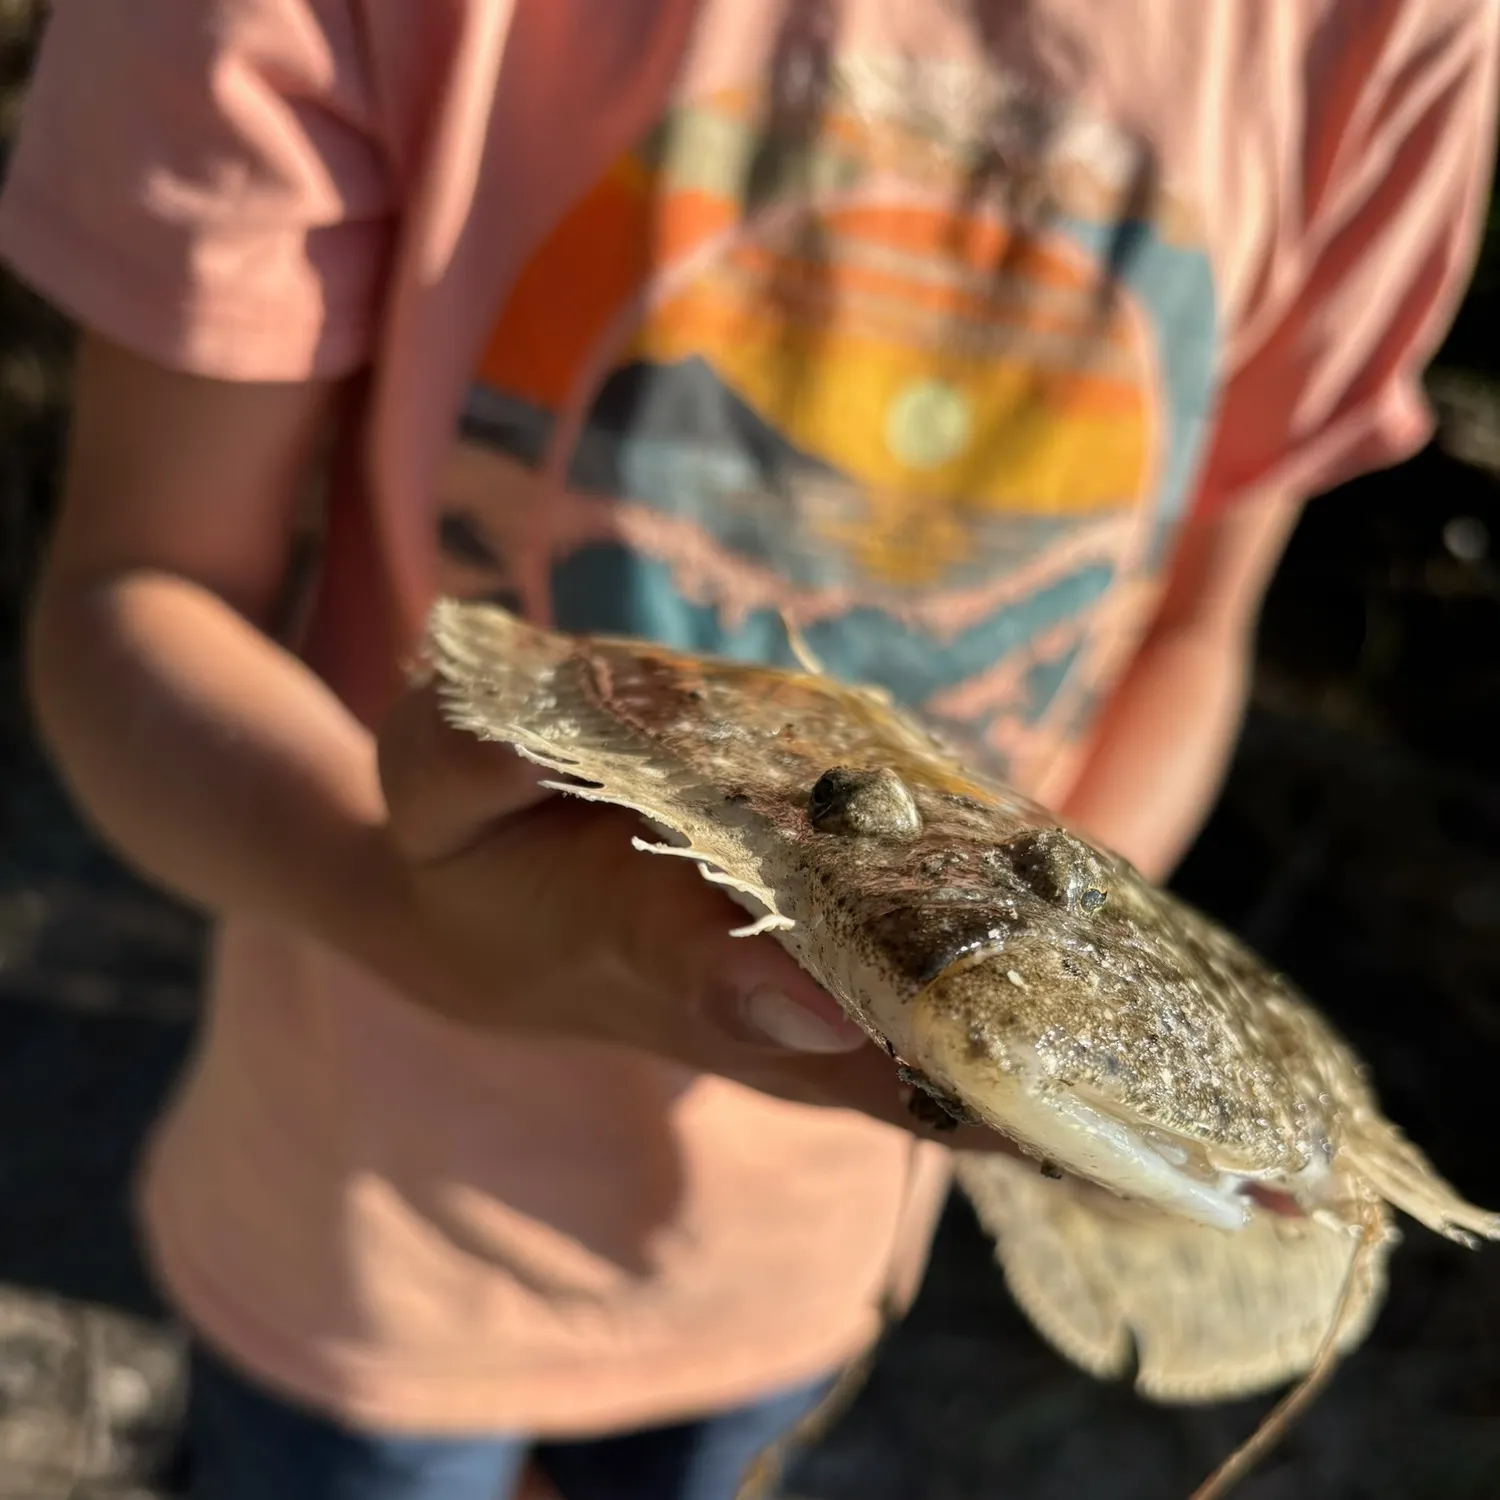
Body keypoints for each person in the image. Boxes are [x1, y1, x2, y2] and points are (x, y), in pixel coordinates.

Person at [1, 2, 1495, 1497]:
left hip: (815, 1262)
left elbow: (1189, 635)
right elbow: (137, 592)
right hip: (361, 1223)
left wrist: (1043, 1037)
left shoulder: (1385, 36)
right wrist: (392, 900)